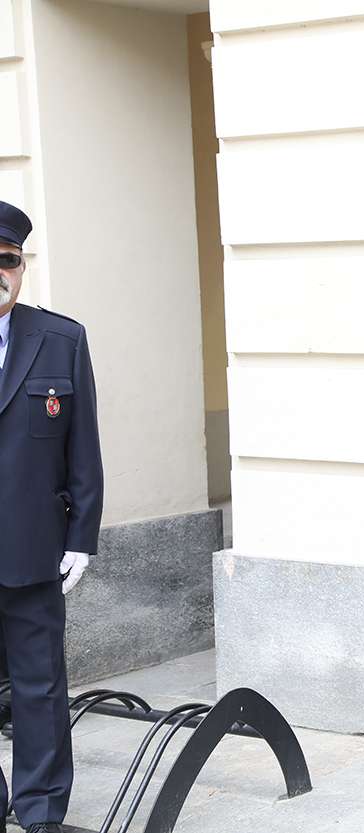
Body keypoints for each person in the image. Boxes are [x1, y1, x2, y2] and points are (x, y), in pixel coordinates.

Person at [0, 200, 103, 833]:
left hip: (33, 548)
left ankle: (40, 812)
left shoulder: (61, 339)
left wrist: (81, 538)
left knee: (39, 689)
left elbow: (83, 446)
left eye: (6, 261)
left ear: (22, 266)